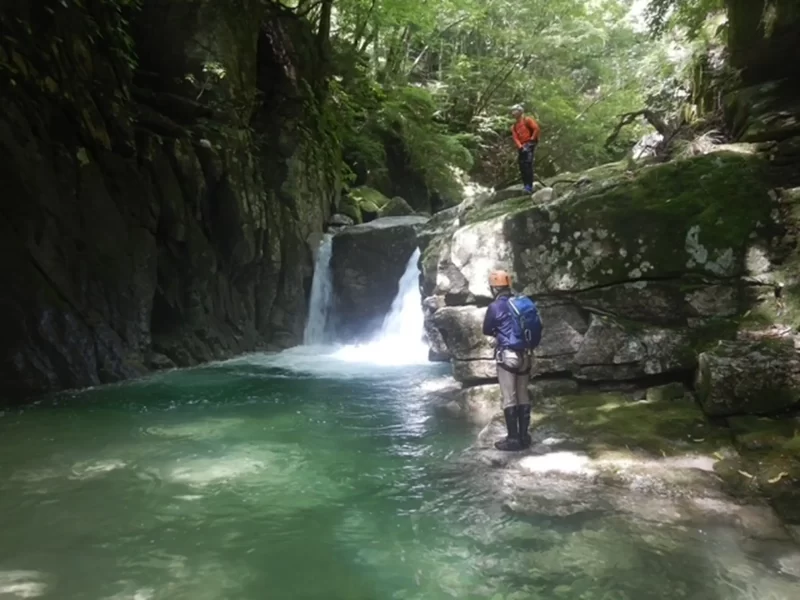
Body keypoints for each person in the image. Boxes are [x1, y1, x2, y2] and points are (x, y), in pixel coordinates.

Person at [481, 270, 533, 451]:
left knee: (509, 397)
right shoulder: (521, 303)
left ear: (494, 288)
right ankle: (524, 437)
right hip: (526, 354)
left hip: (507, 356)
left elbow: (486, 329)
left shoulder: (495, 307)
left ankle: (513, 439)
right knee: (523, 394)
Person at [510, 104, 540, 194]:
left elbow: (536, 129)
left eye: (515, 111)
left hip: (529, 144)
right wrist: (520, 146)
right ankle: (525, 185)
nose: (513, 113)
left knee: (527, 164)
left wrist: (531, 140)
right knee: (522, 166)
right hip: (522, 147)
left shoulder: (527, 120)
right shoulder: (514, 126)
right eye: (512, 111)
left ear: (520, 111)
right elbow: (515, 138)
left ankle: (529, 186)